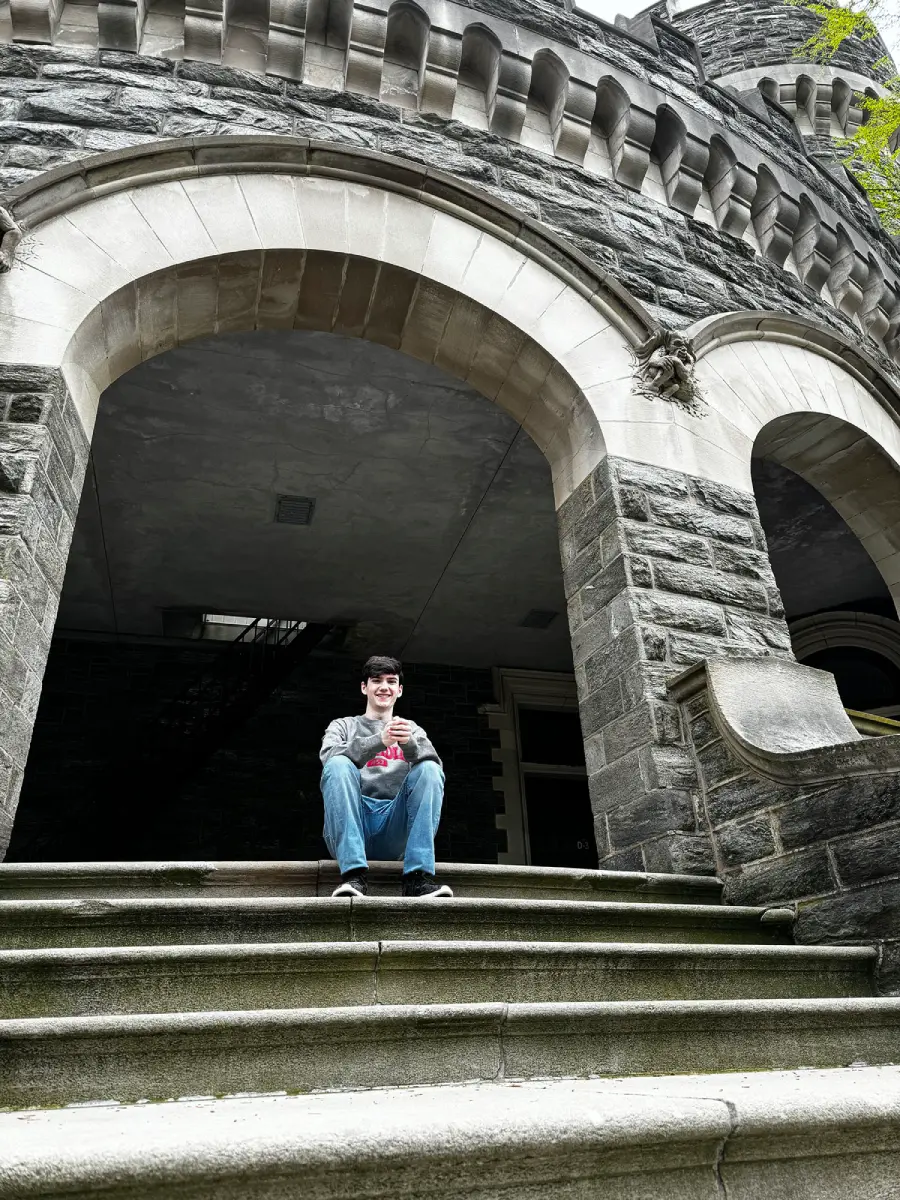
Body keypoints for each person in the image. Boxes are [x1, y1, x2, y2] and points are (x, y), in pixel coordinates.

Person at [320, 655, 453, 899]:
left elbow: (436, 771)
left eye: (391, 681)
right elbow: (328, 759)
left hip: (394, 827)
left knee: (430, 769)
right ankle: (353, 876)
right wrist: (379, 741)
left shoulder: (412, 729)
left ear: (399, 690)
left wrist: (410, 746)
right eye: (376, 680)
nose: (384, 687)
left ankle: (417, 879)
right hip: (351, 823)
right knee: (338, 764)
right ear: (364, 687)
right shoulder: (342, 726)